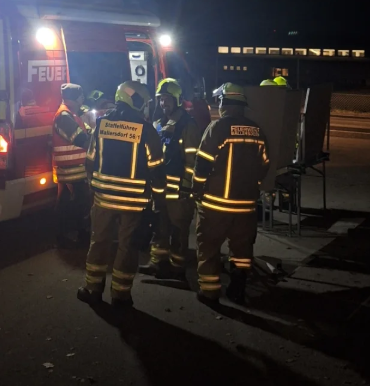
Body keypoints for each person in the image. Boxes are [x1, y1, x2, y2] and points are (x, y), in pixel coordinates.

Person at [77, 81, 166, 308]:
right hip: (133, 203)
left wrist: (93, 186)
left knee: (99, 241)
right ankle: (121, 296)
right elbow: (156, 170)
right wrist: (159, 202)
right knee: (127, 247)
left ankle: (92, 289)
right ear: (134, 100)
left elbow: (89, 161)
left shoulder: (102, 125)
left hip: (103, 199)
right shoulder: (146, 130)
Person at [192, 82, 270, 305]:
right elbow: (265, 164)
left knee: (209, 248)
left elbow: (202, 164)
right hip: (246, 206)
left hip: (216, 205)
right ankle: (238, 288)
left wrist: (197, 189)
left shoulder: (217, 128)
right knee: (242, 249)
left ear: (223, 102)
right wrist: (252, 186)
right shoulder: (257, 130)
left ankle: (209, 293)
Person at [140, 78, 201, 281]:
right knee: (159, 226)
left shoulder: (187, 125)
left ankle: (178, 267)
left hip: (178, 191)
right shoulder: (158, 124)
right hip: (160, 189)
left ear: (177, 100)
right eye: (161, 99)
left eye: (167, 99)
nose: (163, 103)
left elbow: (192, 160)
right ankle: (158, 263)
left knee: (178, 229)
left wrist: (187, 187)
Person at [52, 83, 92, 248]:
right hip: (72, 171)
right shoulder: (64, 116)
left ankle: (67, 236)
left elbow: (86, 131)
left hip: (74, 170)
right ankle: (76, 236)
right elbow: (81, 139)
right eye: (81, 96)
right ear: (76, 98)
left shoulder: (71, 114)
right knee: (77, 204)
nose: (83, 99)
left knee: (69, 203)